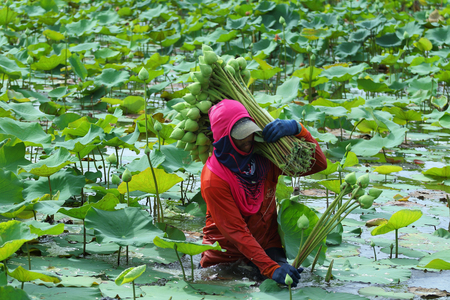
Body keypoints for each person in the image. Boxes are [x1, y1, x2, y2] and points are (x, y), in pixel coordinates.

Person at [199, 99, 327, 287]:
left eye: (249, 133)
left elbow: (317, 164)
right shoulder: (214, 180)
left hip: (267, 247)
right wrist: (271, 269)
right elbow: (236, 231)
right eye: (239, 136)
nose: (247, 140)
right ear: (223, 138)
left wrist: (298, 129)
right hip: (226, 260)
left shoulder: (264, 160)